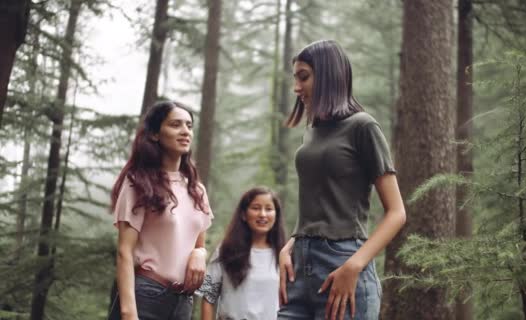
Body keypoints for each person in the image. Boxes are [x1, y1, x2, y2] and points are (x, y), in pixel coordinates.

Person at [277, 40, 407, 320]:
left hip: (343, 264)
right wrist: (291, 244)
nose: (296, 88)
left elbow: (397, 212)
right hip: (300, 269)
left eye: (304, 77)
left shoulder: (363, 126)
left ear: (327, 76)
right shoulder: (311, 132)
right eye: (295, 78)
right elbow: (319, 202)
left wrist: (354, 266)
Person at [108, 101, 213, 320]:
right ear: (155, 134)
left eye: (189, 125)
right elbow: (124, 252)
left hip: (183, 302)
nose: (185, 131)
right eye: (175, 124)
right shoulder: (138, 182)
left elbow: (199, 244)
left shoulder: (196, 189)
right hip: (146, 297)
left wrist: (199, 254)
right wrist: (129, 313)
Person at [198, 186, 286, 320]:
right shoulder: (226, 250)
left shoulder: (284, 255)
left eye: (268, 209)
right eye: (256, 208)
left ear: (276, 215)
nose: (262, 214)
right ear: (244, 214)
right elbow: (208, 296)